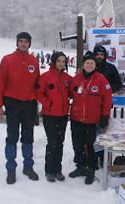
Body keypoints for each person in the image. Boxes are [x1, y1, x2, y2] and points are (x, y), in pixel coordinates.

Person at [0, 32, 40, 184]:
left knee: (28, 137)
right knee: (12, 136)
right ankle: (11, 168)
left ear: (29, 44)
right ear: (17, 43)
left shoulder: (34, 60)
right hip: (13, 103)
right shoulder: (7, 59)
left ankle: (28, 167)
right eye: (20, 41)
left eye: (26, 41)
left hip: (29, 104)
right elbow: (0, 83)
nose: (23, 43)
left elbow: (37, 83)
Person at [69, 51, 112, 185]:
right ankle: (80, 167)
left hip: (93, 121)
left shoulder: (101, 79)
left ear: (95, 65)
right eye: (87, 62)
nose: (89, 65)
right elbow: (70, 93)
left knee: (91, 146)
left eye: (92, 63)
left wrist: (105, 115)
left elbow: (108, 99)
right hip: (76, 118)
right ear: (83, 64)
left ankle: (91, 169)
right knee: (77, 145)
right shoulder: (76, 78)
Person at [36, 51, 72, 182]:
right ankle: (49, 170)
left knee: (60, 142)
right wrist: (48, 103)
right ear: (54, 62)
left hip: (63, 115)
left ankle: (58, 169)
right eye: (59, 61)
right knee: (52, 142)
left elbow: (74, 90)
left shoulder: (68, 78)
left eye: (63, 61)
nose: (61, 63)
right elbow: (38, 93)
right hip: (50, 115)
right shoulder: (46, 76)